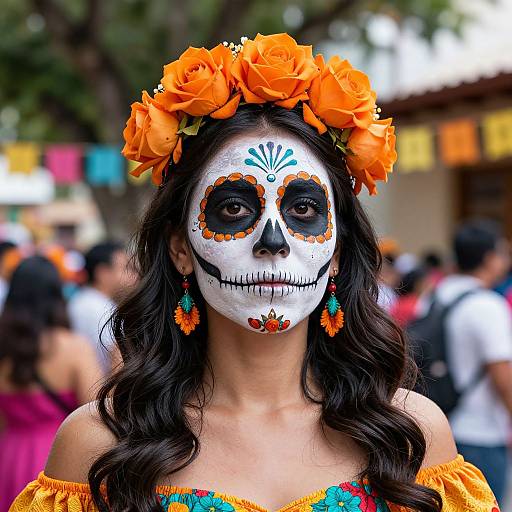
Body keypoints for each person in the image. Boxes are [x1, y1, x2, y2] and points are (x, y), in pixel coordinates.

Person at [10, 34, 498, 512]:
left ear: (338, 250)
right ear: (180, 247)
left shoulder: (410, 433)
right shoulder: (99, 444)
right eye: (232, 209)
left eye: (303, 208)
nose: (272, 241)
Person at [0, 256, 102, 511]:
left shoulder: (3, 348)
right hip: (60, 458)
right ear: (56, 294)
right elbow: (96, 412)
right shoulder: (74, 348)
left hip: (9, 458)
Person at [432, 220, 512, 504]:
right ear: (490, 258)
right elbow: (502, 375)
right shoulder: (488, 305)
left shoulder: (437, 295)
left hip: (440, 427)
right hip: (481, 434)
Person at [68, 242, 132, 373]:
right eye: (125, 268)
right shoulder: (101, 309)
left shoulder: (80, 301)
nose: (131, 276)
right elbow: (117, 360)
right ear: (102, 273)